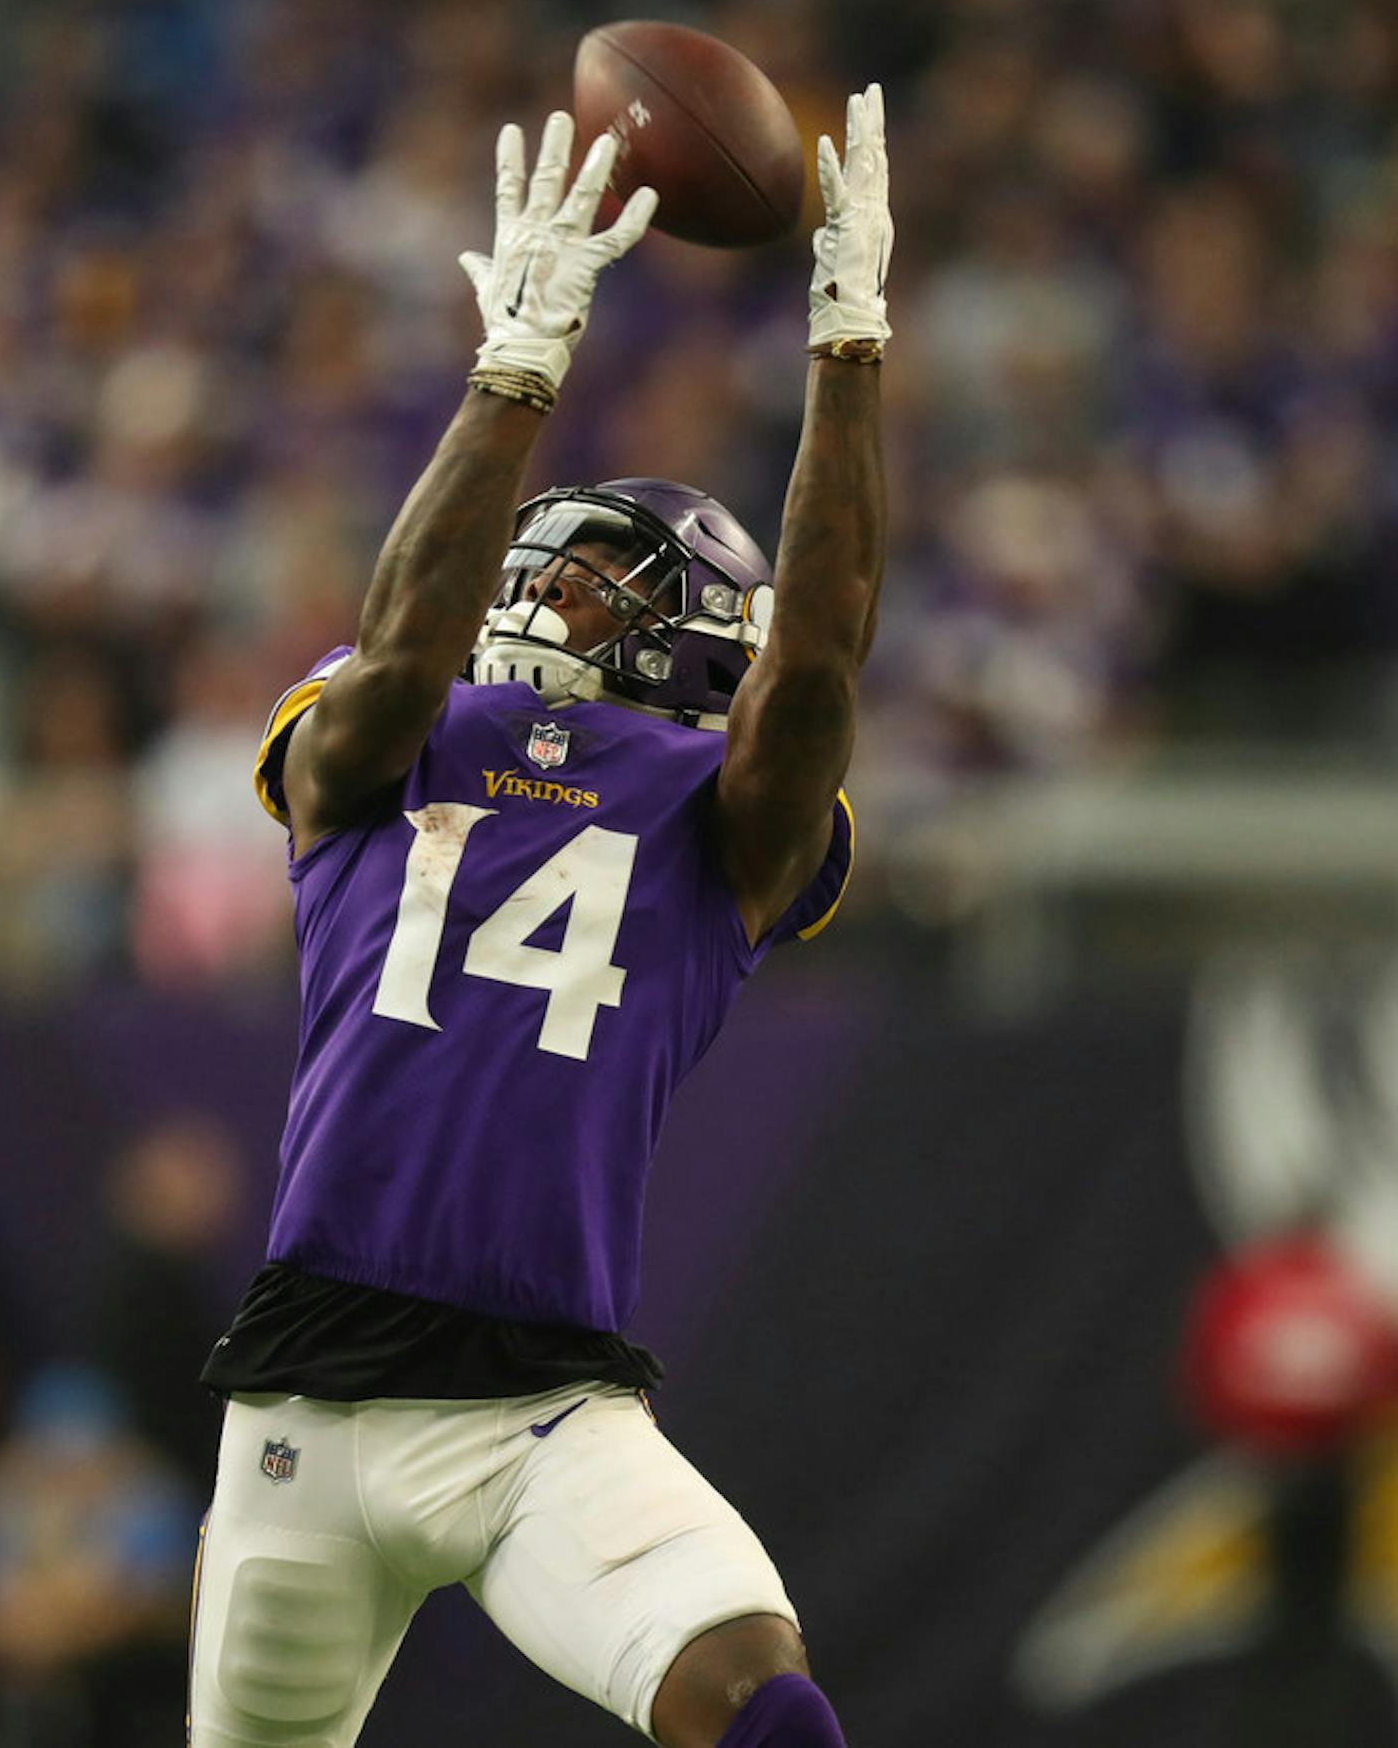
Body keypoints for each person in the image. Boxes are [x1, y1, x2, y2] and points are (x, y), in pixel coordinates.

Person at [189, 89, 892, 1748]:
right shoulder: (394, 728)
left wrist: (847, 351)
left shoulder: (723, 810)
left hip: (541, 1410)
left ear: (694, 643)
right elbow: (400, 643)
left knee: (767, 1708)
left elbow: (818, 668)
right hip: (304, 1409)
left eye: (595, 580)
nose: (539, 592)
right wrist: (515, 365)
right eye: (545, 566)